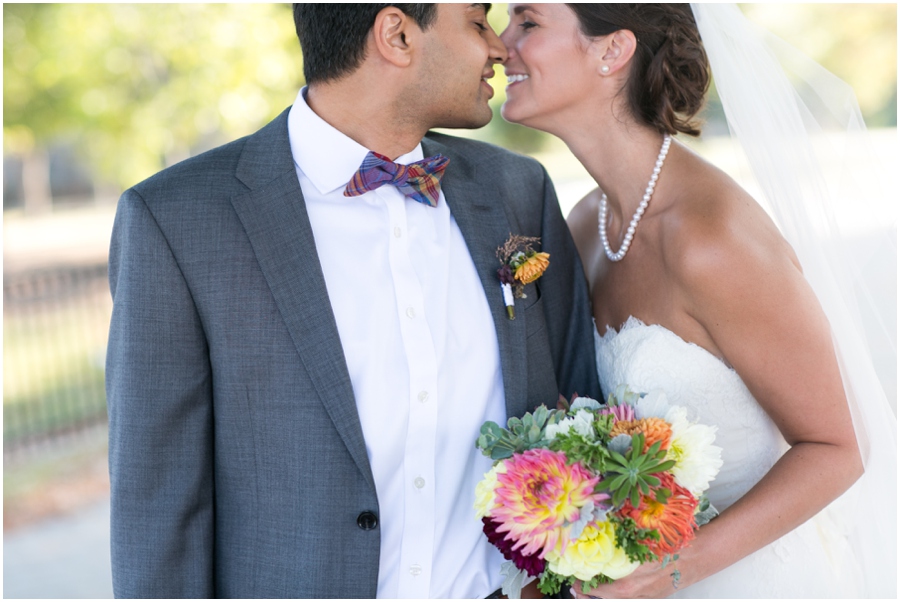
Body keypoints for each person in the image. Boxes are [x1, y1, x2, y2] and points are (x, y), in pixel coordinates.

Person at [105, 4, 600, 598]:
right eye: (476, 21)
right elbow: (158, 508)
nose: (498, 47)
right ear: (396, 34)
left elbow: (578, 413)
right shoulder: (177, 220)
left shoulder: (519, 193)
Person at [499, 3, 896, 598]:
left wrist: (674, 569)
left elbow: (843, 444)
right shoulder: (586, 224)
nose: (500, 44)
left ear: (612, 51)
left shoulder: (710, 239)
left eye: (527, 23)